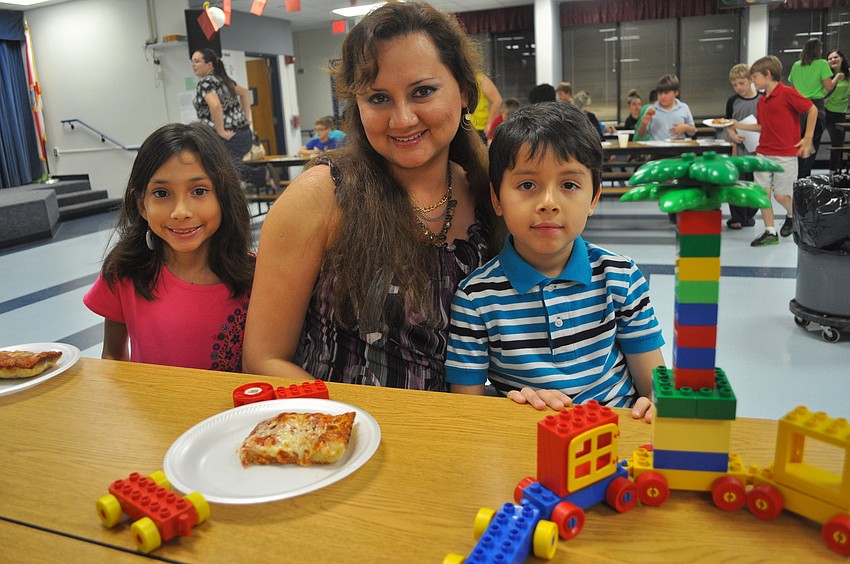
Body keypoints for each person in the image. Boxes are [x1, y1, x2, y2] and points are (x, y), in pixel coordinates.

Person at [243, 2, 500, 390]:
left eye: (423, 92)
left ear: (463, 92)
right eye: (378, 98)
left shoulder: (491, 195)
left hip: (464, 434)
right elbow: (263, 358)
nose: (402, 119)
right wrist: (352, 424)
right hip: (342, 436)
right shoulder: (322, 196)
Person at [445, 102, 664, 423]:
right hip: (529, 442)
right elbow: (467, 413)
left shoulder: (621, 277)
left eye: (569, 185)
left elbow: (654, 386)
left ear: (593, 199)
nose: (548, 203)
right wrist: (512, 405)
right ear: (497, 199)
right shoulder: (475, 299)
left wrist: (656, 403)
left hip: (620, 431)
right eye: (527, 185)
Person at [83, 123, 255, 371]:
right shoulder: (124, 272)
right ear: (141, 204)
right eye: (162, 193)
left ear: (223, 197)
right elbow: (113, 356)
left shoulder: (256, 276)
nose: (180, 212)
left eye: (199, 191)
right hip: (151, 409)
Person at [733, 56, 817, 247]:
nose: (752, 80)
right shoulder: (762, 101)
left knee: (781, 195)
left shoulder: (788, 93)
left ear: (767, 74)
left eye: (754, 76)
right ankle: (770, 232)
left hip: (785, 154)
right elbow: (763, 127)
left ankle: (792, 215)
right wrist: (735, 124)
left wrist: (808, 137)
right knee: (763, 194)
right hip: (763, 153)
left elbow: (812, 110)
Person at [191, 48, 253, 177]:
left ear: (209, 65)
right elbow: (245, 93)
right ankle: (261, 175)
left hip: (227, 137)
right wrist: (247, 118)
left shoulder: (205, 83)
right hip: (244, 134)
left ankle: (262, 175)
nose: (193, 65)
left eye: (197, 61)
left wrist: (221, 131)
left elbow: (215, 106)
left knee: (223, 173)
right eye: (192, 62)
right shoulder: (223, 79)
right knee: (232, 171)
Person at [722, 64, 761, 229]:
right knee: (737, 182)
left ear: (751, 80)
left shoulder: (762, 99)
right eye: (735, 85)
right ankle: (737, 217)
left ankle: (749, 215)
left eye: (741, 83)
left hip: (759, 149)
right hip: (739, 149)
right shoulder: (732, 101)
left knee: (756, 183)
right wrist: (732, 134)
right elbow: (728, 122)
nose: (738, 88)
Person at [788, 38, 834, 179]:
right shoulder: (822, 64)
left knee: (799, 145)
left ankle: (797, 180)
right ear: (818, 50)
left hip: (797, 108)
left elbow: (793, 88)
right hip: (815, 106)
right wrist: (837, 77)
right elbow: (828, 86)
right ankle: (805, 181)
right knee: (811, 146)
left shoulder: (796, 65)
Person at [638, 74, 696, 141]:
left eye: (666, 93)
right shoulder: (651, 109)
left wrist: (686, 128)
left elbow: (693, 131)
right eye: (660, 93)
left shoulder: (684, 107)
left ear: (676, 92)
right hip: (657, 149)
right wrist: (644, 124)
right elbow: (641, 135)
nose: (662, 96)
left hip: (678, 149)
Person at [825, 49, 850, 174]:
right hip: (825, 111)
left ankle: (834, 173)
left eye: (835, 57)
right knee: (813, 141)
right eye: (830, 58)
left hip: (840, 112)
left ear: (842, 59)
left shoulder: (848, 74)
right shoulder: (826, 74)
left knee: (837, 145)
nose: (832, 60)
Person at [469, 72, 502, 144]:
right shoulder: (457, 78)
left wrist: (489, 123)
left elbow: (497, 100)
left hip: (479, 128)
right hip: (462, 127)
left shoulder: (480, 78)